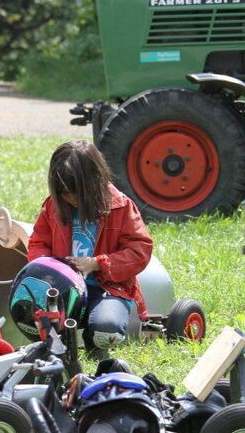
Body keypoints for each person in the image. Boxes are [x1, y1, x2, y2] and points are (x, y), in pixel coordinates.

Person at [27, 139, 153, 354]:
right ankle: (58, 351)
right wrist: (52, 268)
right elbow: (38, 244)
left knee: (107, 331)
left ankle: (95, 343)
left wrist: (97, 263)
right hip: (63, 289)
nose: (69, 198)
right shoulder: (52, 207)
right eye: (63, 193)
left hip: (107, 289)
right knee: (34, 321)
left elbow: (139, 250)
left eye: (74, 192)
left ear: (94, 183)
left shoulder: (120, 207)